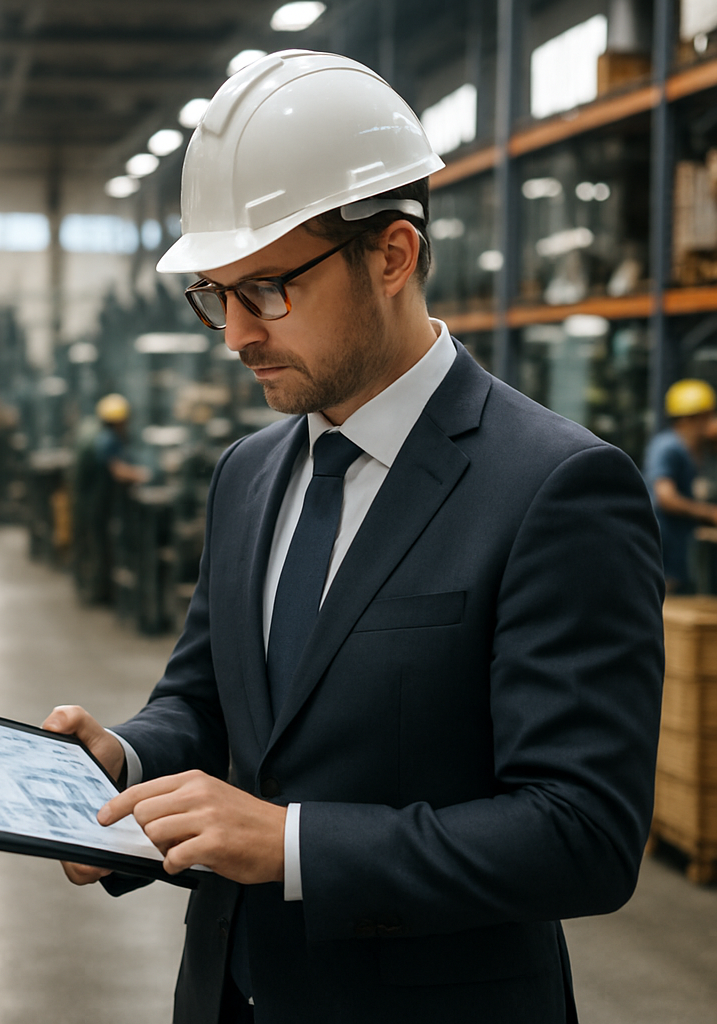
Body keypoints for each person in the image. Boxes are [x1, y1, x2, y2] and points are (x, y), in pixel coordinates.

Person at [42, 51, 664, 1024]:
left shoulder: (554, 487)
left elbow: (581, 833)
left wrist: (292, 845)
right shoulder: (247, 473)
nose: (235, 335)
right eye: (216, 294)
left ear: (392, 255)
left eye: (268, 289)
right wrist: (122, 760)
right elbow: (208, 704)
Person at [71, 394, 150, 603]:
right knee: (98, 546)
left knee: (94, 545)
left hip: (89, 500)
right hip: (93, 503)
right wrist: (143, 474)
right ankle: (98, 593)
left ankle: (96, 589)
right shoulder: (106, 439)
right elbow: (117, 470)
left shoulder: (96, 432)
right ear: (118, 421)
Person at [642, 378, 717, 592]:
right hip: (663, 541)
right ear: (689, 419)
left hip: (680, 544)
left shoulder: (697, 450)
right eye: (706, 416)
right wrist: (710, 513)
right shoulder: (667, 447)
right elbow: (665, 497)